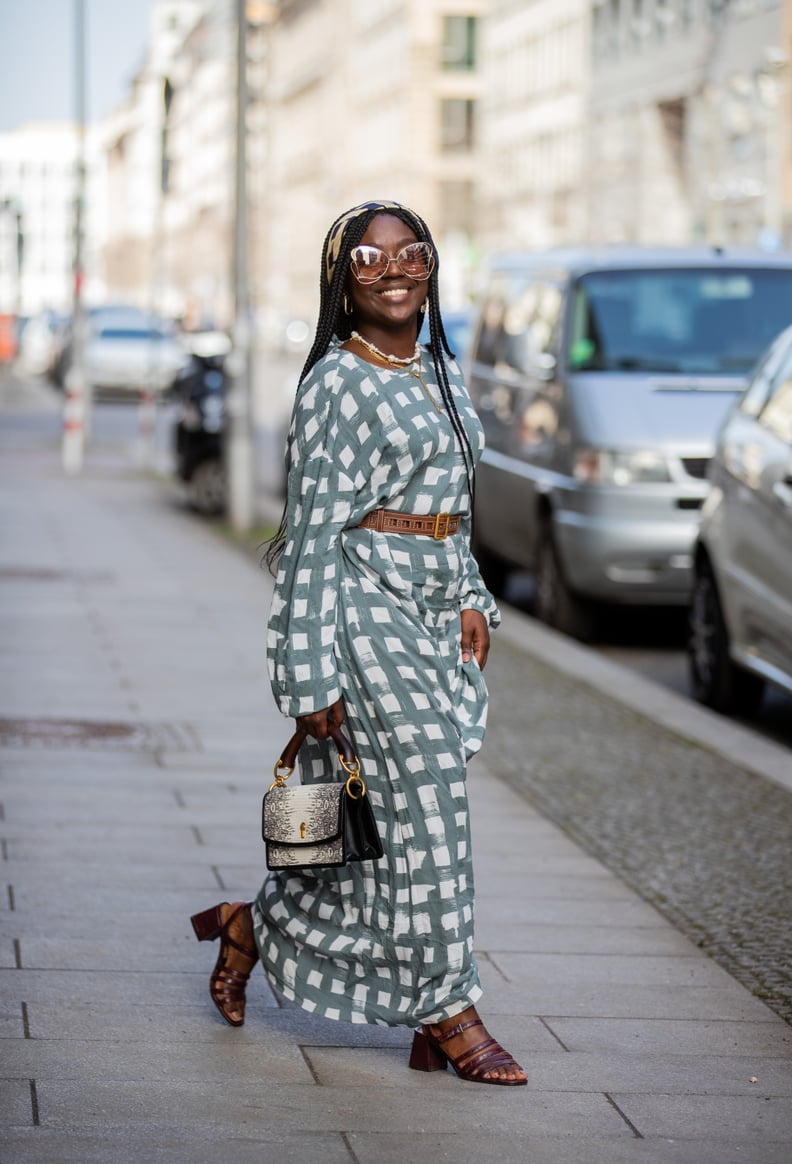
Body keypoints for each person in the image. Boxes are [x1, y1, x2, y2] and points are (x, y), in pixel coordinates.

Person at [191, 200, 527, 1086]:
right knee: (435, 820)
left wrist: (470, 595)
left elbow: (453, 507)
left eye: (410, 252)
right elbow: (307, 539)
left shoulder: (443, 370)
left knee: (381, 832)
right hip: (361, 607)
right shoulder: (336, 382)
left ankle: (249, 927)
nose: (393, 269)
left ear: (432, 265)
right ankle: (451, 1010)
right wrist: (305, 674)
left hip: (429, 610)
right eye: (370, 259)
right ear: (343, 279)